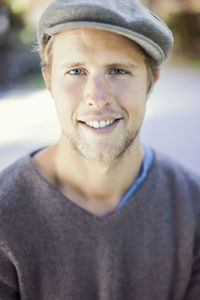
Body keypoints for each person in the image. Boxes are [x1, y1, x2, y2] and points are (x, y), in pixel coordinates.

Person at [0, 0, 200, 299]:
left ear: (150, 82)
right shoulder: (6, 216)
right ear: (48, 80)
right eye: (76, 71)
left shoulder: (192, 207)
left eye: (118, 70)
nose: (97, 97)